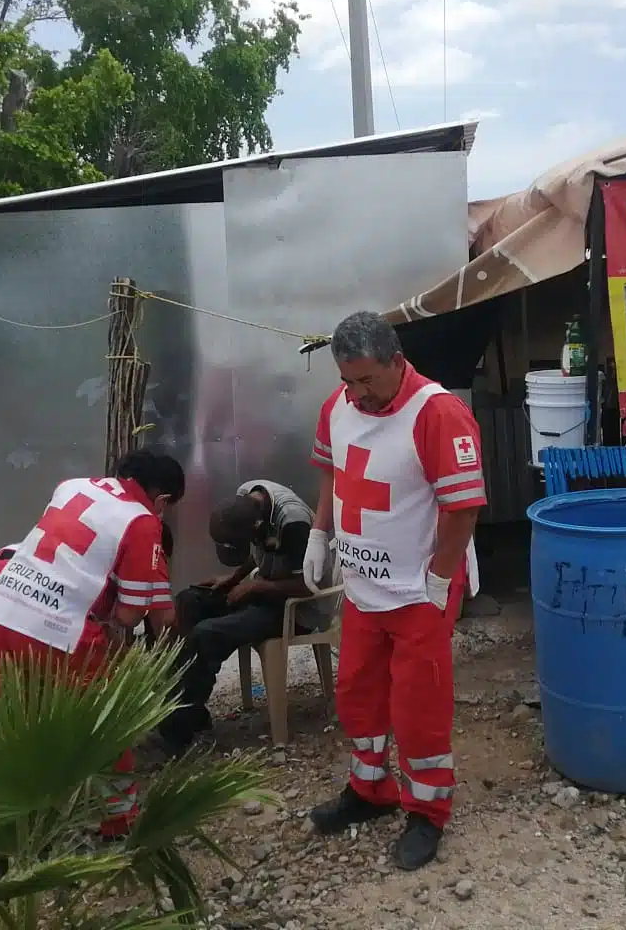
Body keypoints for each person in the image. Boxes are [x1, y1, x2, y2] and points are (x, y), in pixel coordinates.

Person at [303, 311, 485, 871]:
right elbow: (334, 472)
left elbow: (463, 505)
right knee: (357, 692)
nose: (359, 394)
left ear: (397, 362)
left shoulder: (437, 413)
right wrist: (318, 530)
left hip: (418, 593)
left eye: (369, 382)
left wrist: (439, 575)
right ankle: (370, 790)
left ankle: (427, 812)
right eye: (348, 381)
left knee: (417, 706)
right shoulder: (338, 407)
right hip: (363, 588)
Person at [0, 449, 185, 837]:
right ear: (162, 500)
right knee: (105, 724)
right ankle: (120, 823)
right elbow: (134, 614)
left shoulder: (74, 486)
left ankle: (17, 822)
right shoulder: (143, 522)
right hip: (54, 624)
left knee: (20, 719)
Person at [158, 479, 318, 751]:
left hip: (295, 609)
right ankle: (188, 707)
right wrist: (233, 579)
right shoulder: (246, 497)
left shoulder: (294, 522)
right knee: (190, 601)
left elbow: (309, 586)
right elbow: (257, 553)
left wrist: (255, 586)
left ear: (256, 528)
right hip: (266, 593)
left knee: (207, 634)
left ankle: (177, 730)